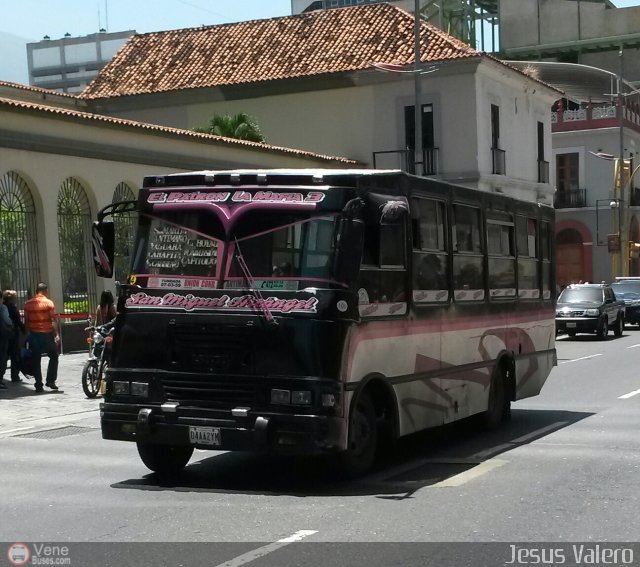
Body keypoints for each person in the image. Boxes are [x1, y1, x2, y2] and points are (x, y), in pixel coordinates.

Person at [23, 283, 60, 393]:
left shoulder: (27, 304)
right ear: (45, 291)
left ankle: (38, 384)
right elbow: (52, 320)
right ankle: (50, 380)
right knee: (54, 356)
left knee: (36, 360)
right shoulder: (48, 303)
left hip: (34, 335)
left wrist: (27, 333)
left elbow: (26, 322)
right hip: (47, 334)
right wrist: (56, 334)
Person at [3, 290, 26, 382]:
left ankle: (2, 374)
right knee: (14, 355)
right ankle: (14, 376)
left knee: (4, 355)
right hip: (13, 333)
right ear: (12, 298)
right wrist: (24, 329)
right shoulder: (12, 307)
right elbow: (17, 320)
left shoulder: (3, 306)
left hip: (4, 333)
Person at [0, 293, 15, 389]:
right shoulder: (2, 307)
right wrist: (12, 324)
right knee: (2, 357)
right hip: (2, 335)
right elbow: (7, 320)